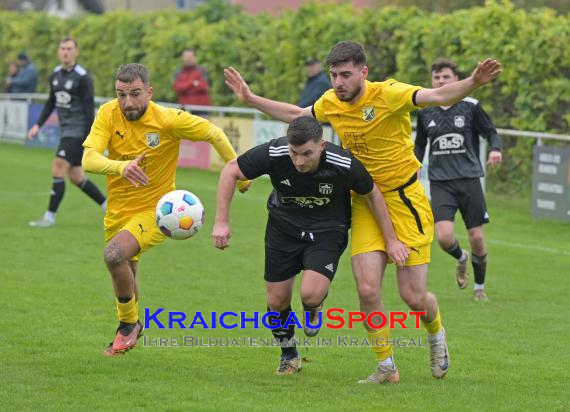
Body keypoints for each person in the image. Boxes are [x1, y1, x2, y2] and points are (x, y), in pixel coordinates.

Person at [224, 40, 501, 383]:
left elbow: (438, 97)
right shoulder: (330, 102)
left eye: (345, 75)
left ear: (363, 72)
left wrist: (472, 81)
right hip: (365, 203)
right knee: (368, 289)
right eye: (333, 75)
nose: (338, 83)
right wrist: (251, 99)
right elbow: (297, 115)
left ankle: (436, 333)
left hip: (405, 202)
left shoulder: (389, 94)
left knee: (413, 297)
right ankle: (386, 366)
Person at [213, 116, 408, 375]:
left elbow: (372, 193)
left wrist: (391, 239)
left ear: (322, 145)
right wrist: (221, 222)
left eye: (307, 153)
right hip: (283, 228)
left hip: (328, 230)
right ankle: (289, 355)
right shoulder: (275, 152)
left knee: (310, 293)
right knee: (276, 300)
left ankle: (313, 306)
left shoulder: (343, 163)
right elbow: (231, 170)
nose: (299, 161)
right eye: (294, 153)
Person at [82, 63, 250, 357]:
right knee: (124, 272)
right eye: (121, 94)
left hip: (155, 209)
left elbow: (213, 133)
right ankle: (133, 324)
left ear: (149, 92)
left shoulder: (168, 120)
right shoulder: (108, 113)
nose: (128, 102)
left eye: (135, 94)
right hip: (118, 210)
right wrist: (122, 167)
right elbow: (88, 159)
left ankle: (126, 326)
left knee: (114, 255)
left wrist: (240, 172)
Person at [414, 58, 502, 303]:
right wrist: (414, 164)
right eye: (436, 78)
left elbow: (490, 132)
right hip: (441, 181)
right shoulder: (425, 110)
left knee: (476, 236)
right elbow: (421, 143)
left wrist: (495, 149)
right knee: (443, 237)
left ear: (456, 80)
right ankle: (461, 258)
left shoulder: (471, 106)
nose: (440, 82)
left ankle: (479, 287)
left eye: (445, 77)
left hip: (469, 178)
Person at [28, 37, 106, 227]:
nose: (65, 52)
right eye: (62, 48)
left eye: (69, 48)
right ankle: (108, 206)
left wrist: (91, 137)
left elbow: (89, 109)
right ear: (58, 51)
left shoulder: (83, 77)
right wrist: (38, 124)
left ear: (76, 52)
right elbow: (50, 103)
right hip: (66, 131)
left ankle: (49, 218)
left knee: (58, 165)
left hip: (78, 131)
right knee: (76, 177)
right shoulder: (55, 74)